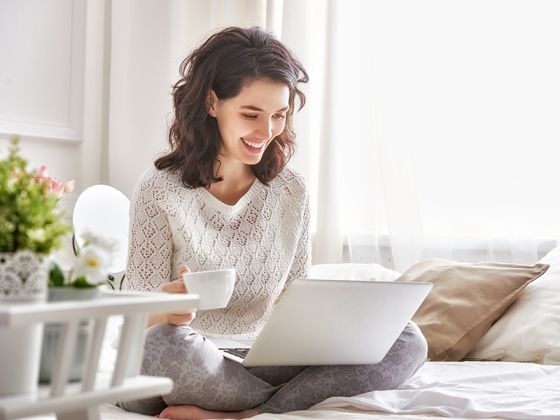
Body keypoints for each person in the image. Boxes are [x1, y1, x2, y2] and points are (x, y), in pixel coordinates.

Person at [120, 26, 427, 420]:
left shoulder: (291, 191)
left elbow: (293, 301)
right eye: (251, 115)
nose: (266, 132)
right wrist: (169, 308)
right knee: (162, 346)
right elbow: (136, 321)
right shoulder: (160, 188)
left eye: (279, 116)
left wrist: (330, 328)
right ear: (212, 102)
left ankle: (243, 415)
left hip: (258, 360)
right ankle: (281, 403)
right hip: (179, 360)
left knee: (407, 339)